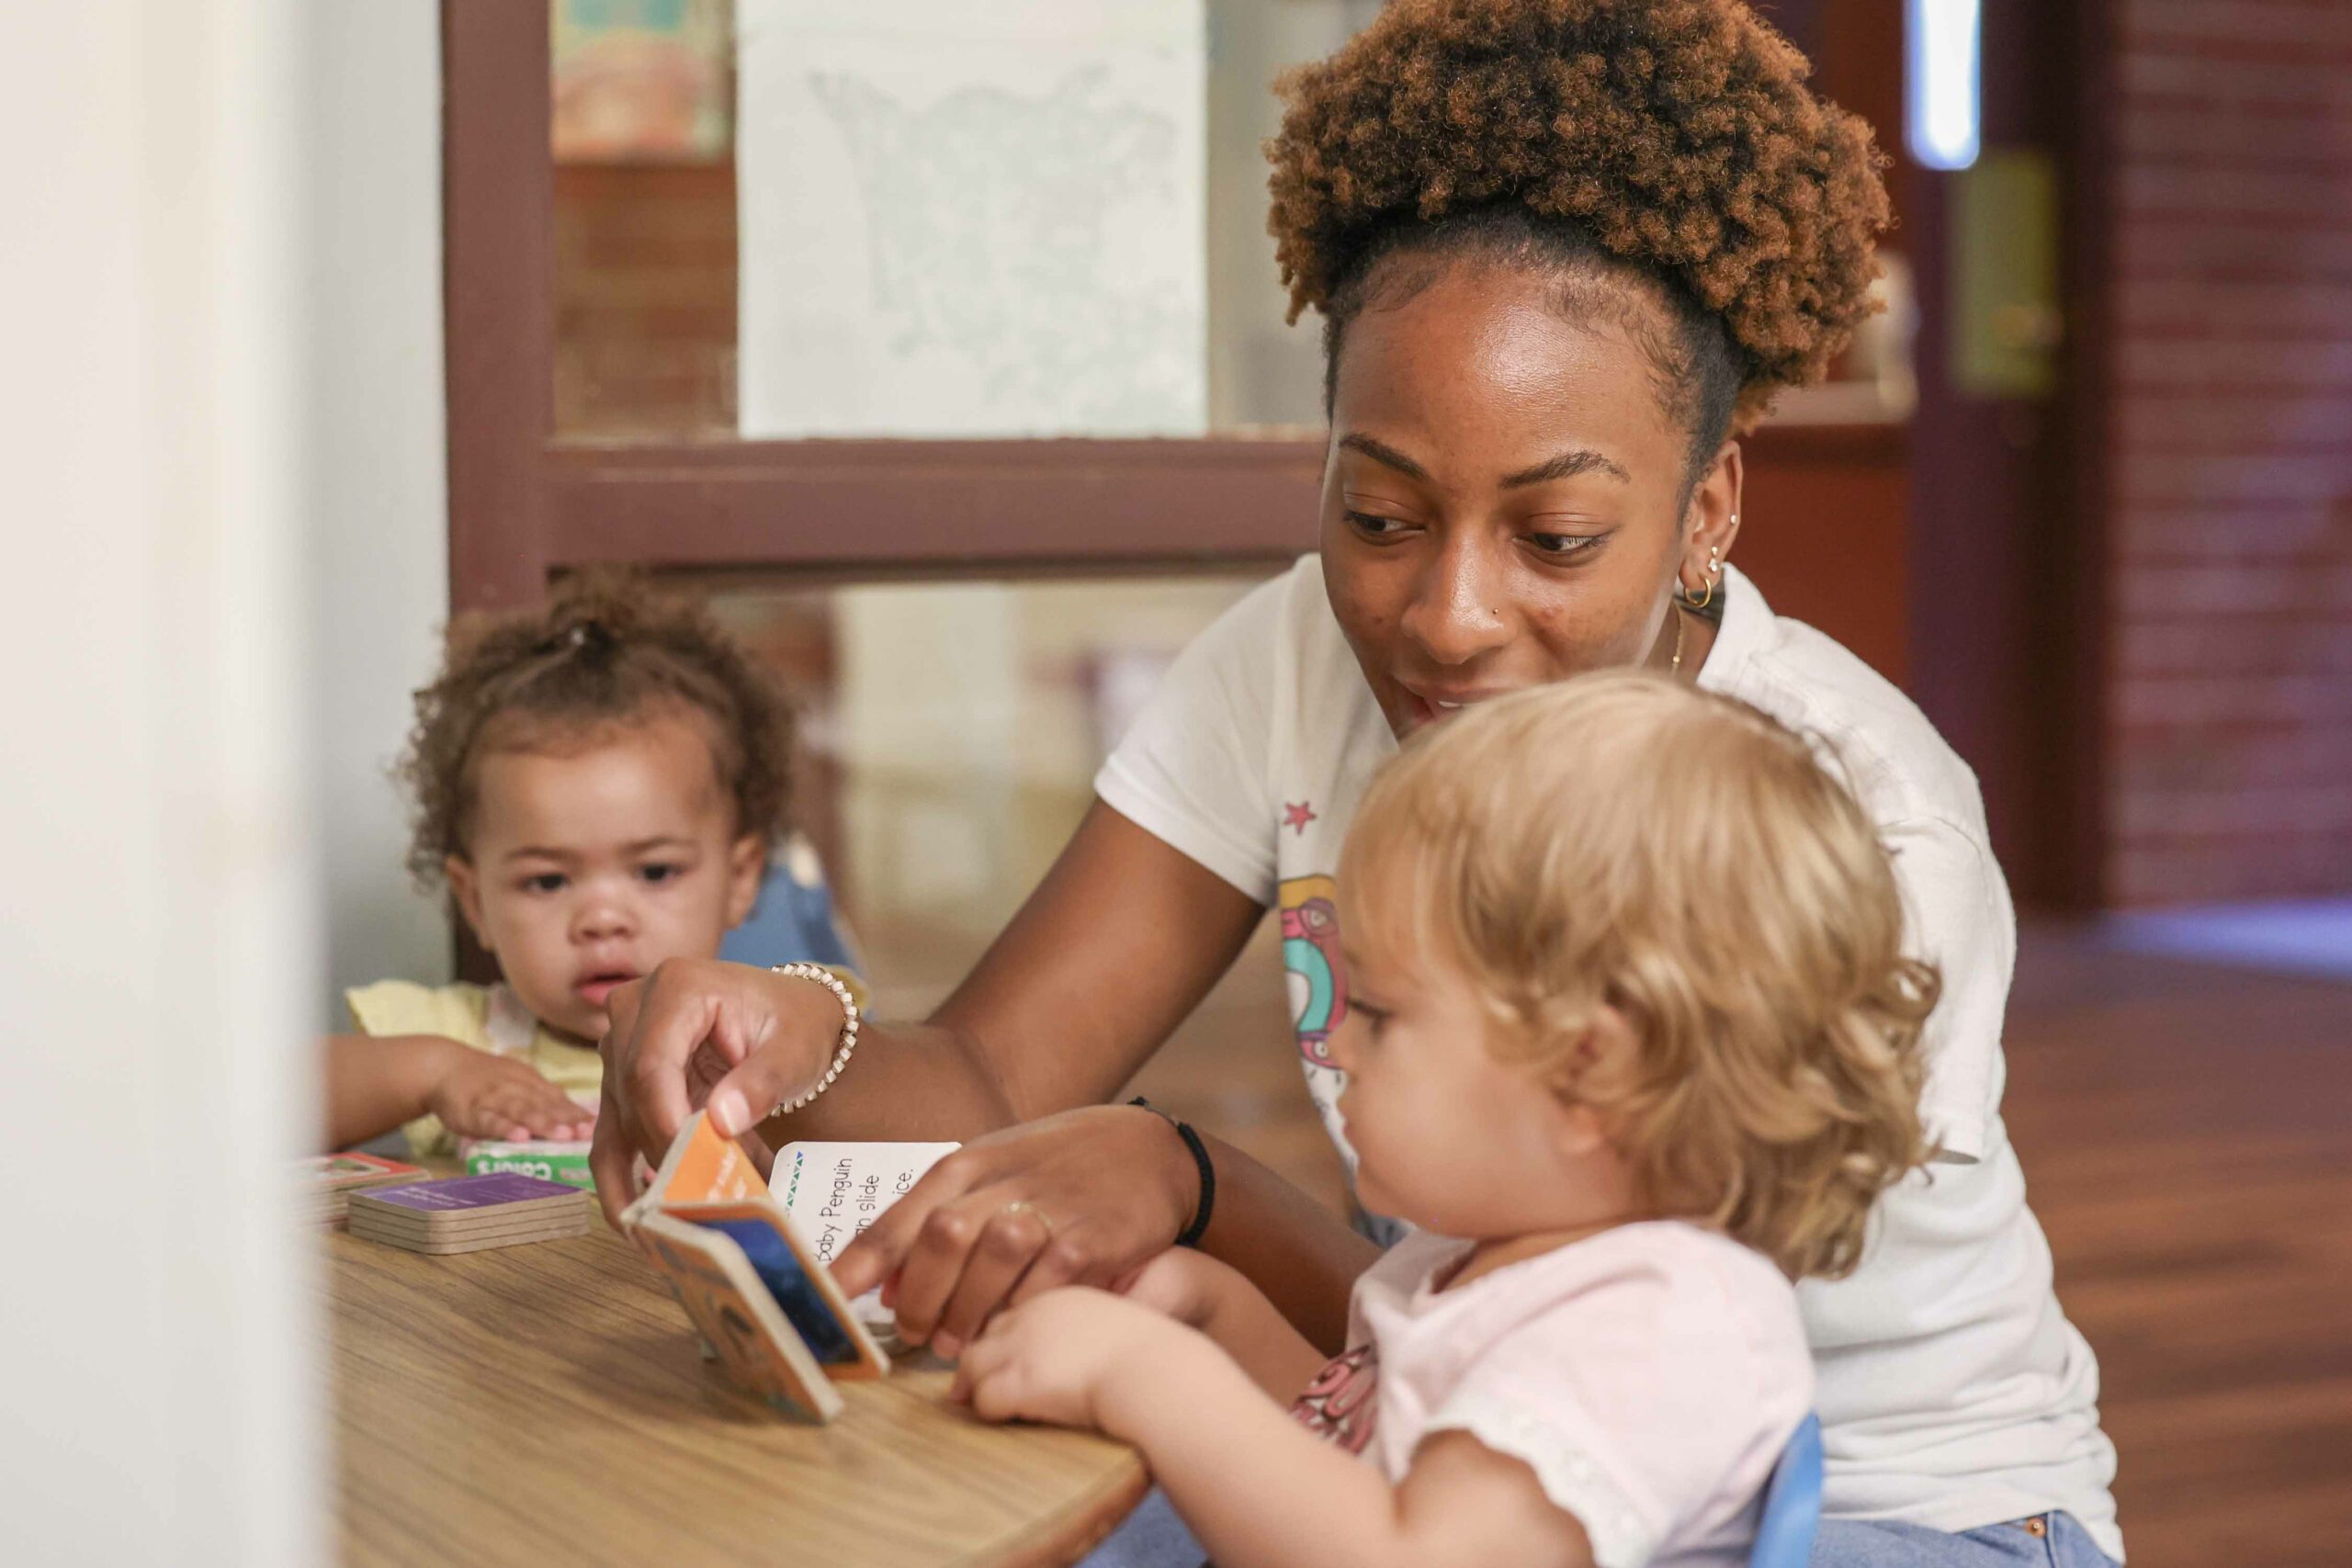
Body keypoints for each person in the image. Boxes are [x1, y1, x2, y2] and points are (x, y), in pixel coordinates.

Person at [591, 2, 2122, 1560]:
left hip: (1872, 1503)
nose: (1446, 616)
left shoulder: (1841, 827)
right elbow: (1001, 1070)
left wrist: (1195, 1192)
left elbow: (1575, 1346)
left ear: (1707, 504)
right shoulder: (1298, 659)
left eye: (1558, 539)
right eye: (1380, 515)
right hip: (1455, 1431)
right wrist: (785, 1038)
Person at [956, 671, 1937, 1568]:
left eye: (1377, 1014)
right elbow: (1358, 1452)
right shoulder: (1493, 1259)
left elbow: (1403, 1553)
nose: (1331, 1042)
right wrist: (1211, 1312)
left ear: (1589, 1069)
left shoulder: (1657, 1326)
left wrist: (1151, 1376)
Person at [325, 571, 835, 1155]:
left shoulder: (770, 1041)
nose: (601, 918)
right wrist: (432, 1074)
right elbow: (247, 1106)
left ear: (740, 878)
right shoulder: (465, 1037)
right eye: (547, 880)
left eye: (655, 872)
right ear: (475, 902)